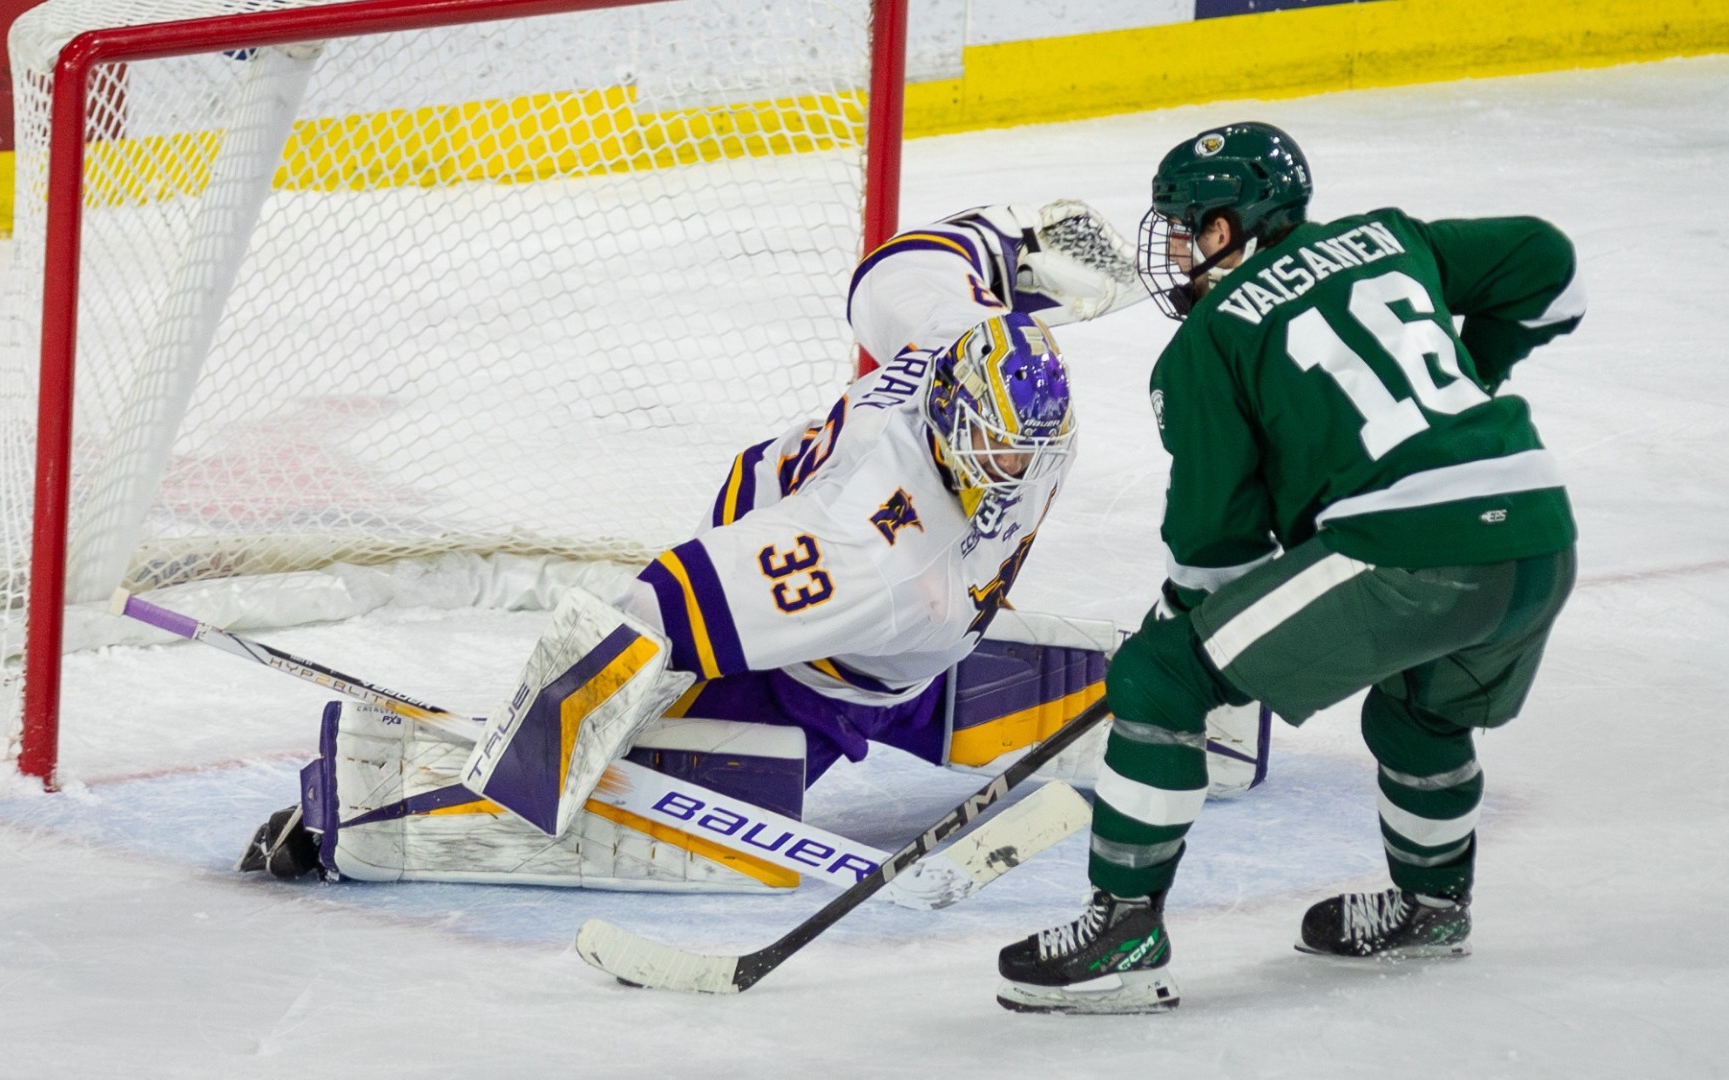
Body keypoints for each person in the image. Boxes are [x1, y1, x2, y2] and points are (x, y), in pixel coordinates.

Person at [238, 199, 1162, 892]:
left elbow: (903, 266)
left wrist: (1021, 248)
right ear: (950, 415)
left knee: (939, 643)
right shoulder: (862, 547)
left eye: (1028, 450)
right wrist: (528, 763)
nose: (1012, 470)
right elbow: (658, 604)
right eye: (994, 448)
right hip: (801, 668)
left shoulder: (966, 344)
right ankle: (367, 808)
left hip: (914, 644)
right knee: (691, 797)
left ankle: (1077, 693)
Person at [994, 121, 1585, 1013]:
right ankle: (1431, 909)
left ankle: (1123, 935)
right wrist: (1476, 375)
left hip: (1417, 553)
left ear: (1227, 227)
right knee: (1419, 714)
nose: (1176, 250)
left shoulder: (1210, 338)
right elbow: (1549, 265)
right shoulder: (1389, 237)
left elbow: (1219, 543)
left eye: (1184, 228)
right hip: (1538, 529)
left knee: (1160, 676)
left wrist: (1175, 628)